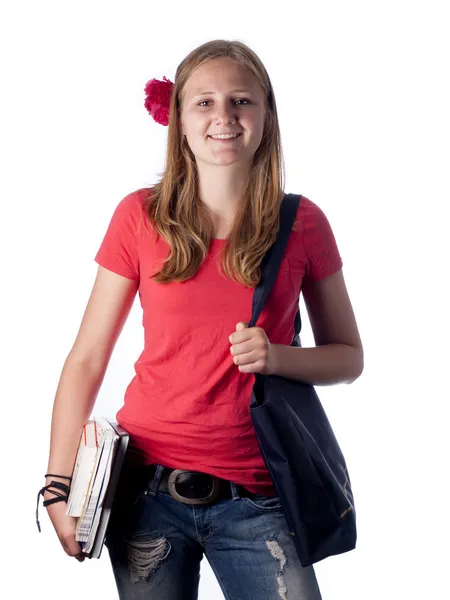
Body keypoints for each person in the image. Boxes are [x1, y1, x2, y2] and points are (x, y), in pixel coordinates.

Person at [40, 39, 364, 600]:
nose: (224, 117)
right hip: (145, 498)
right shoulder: (139, 217)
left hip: (262, 498)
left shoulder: (303, 223)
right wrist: (58, 485)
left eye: (241, 101)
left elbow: (349, 357)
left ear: (266, 117)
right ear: (179, 122)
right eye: (204, 102)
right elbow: (88, 359)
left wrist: (279, 356)